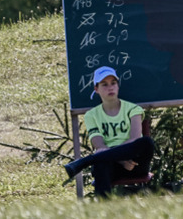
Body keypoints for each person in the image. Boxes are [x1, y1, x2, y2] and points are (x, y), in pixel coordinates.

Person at [63, 67, 155, 198]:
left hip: (135, 163)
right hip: (112, 165)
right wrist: (121, 160)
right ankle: (103, 207)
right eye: (104, 84)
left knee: (146, 142)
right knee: (101, 163)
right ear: (96, 89)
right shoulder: (91, 115)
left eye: (113, 83)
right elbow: (100, 146)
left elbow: (134, 139)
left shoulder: (133, 109)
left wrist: (122, 157)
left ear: (118, 86)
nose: (110, 88)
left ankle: (86, 161)